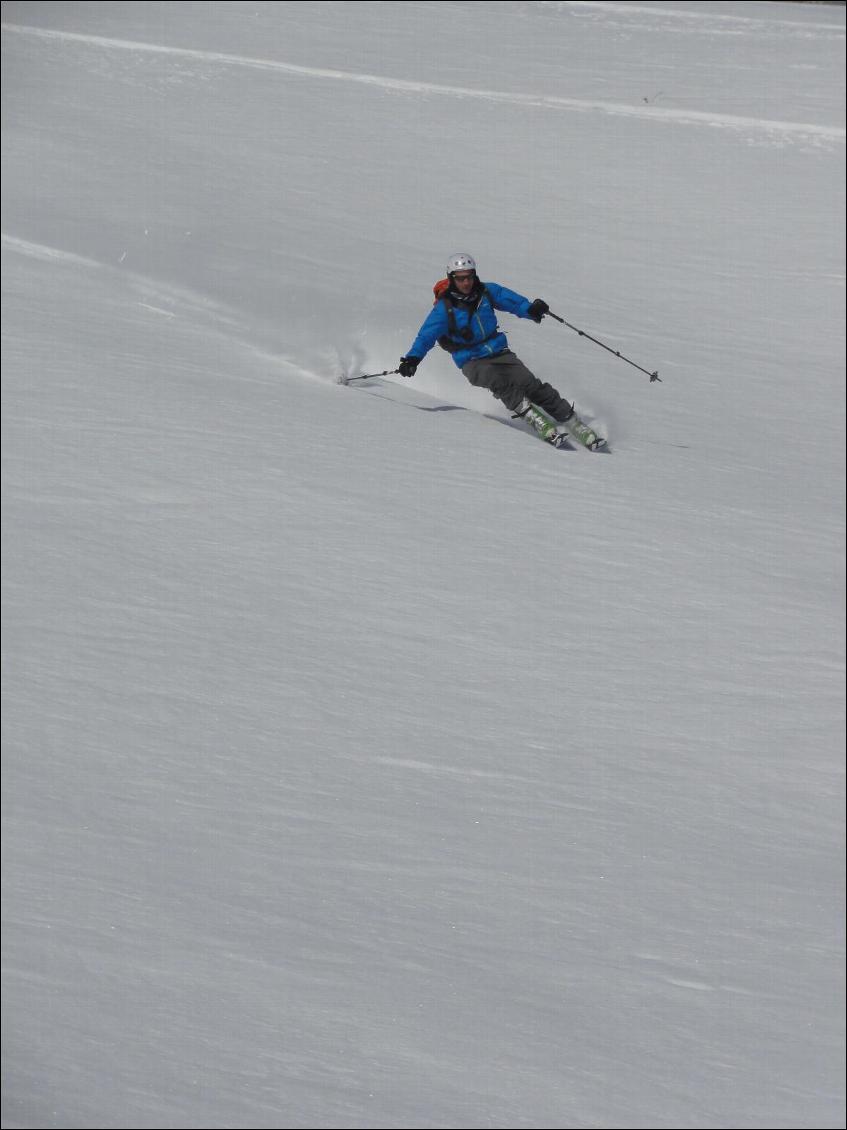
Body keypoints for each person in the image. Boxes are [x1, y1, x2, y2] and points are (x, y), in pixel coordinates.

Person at [398, 253, 602, 448]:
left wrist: (531, 310)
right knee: (498, 381)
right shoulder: (444, 308)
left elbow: (511, 301)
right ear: (451, 279)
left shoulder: (486, 292)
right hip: (470, 359)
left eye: (469, 277)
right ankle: (534, 418)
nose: (466, 282)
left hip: (498, 350)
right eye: (460, 279)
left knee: (530, 383)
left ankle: (573, 422)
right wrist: (412, 359)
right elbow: (426, 335)